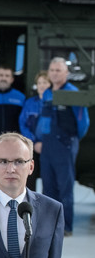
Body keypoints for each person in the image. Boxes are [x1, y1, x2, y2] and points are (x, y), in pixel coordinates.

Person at [36, 57, 90, 236]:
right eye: (52, 70)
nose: (54, 73)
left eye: (58, 70)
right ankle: (48, 226)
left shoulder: (73, 93)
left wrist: (70, 140)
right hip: (47, 146)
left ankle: (66, 227)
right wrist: (40, 139)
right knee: (48, 186)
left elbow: (83, 123)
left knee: (65, 186)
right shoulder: (48, 93)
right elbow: (43, 120)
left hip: (65, 145)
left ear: (66, 73)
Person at [19, 71, 51, 191]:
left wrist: (45, 143)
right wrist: (33, 142)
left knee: (49, 180)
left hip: (49, 147)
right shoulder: (29, 103)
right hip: (32, 147)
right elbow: (23, 123)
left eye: (45, 83)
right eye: (39, 83)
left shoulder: (54, 104)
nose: (42, 85)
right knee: (29, 178)